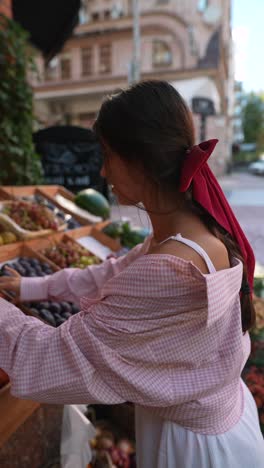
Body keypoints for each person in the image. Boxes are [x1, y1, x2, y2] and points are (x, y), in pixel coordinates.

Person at [0, 81, 263, 468]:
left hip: (195, 451)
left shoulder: (171, 266)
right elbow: (115, 272)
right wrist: (32, 286)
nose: (103, 170)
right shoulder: (190, 230)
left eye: (107, 155)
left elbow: (51, 356)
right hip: (223, 422)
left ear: (139, 160)